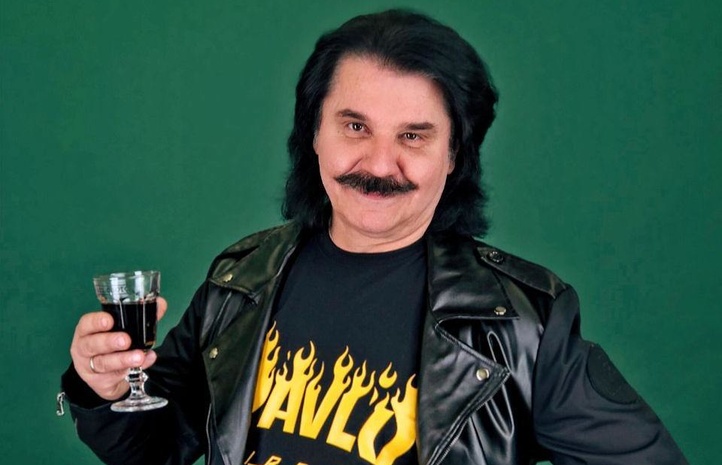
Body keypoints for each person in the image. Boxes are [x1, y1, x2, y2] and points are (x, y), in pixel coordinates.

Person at [60, 9, 688, 465]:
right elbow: (154, 447)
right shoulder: (241, 278)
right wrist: (102, 387)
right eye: (355, 127)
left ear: (454, 157)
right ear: (314, 134)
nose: (380, 164)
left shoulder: (522, 322)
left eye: (413, 136)